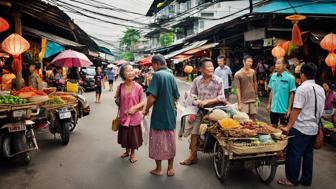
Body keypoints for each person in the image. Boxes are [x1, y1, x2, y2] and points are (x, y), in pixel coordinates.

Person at [278, 62, 325, 186]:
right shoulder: (320, 89)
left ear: (302, 74)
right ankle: (306, 179)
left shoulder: (302, 89)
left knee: (294, 153)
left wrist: (288, 126)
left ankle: (292, 179)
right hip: (314, 127)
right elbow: (321, 110)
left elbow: (296, 110)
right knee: (308, 154)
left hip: (301, 128)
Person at [180, 57, 228, 166]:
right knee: (194, 133)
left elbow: (221, 97)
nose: (211, 68)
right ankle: (192, 156)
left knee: (222, 130)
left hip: (215, 110)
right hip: (199, 110)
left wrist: (207, 101)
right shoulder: (197, 80)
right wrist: (197, 101)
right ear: (201, 69)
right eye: (208, 67)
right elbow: (192, 95)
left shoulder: (218, 80)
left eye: (212, 66)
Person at [143, 54, 180, 177]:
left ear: (156, 64)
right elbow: (176, 96)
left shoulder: (157, 75)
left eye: (152, 65)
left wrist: (146, 109)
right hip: (170, 114)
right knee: (170, 141)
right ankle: (170, 168)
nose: (152, 68)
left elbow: (152, 97)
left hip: (159, 115)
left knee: (157, 141)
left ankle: (159, 169)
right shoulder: (171, 76)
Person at [115, 63, 145, 163]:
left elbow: (143, 102)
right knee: (125, 136)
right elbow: (117, 98)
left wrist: (134, 108)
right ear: (123, 74)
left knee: (133, 137)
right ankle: (127, 152)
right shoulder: (120, 86)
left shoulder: (138, 87)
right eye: (128, 71)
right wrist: (117, 99)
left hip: (134, 117)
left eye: (132, 70)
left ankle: (133, 154)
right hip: (124, 116)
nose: (131, 72)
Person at [267, 57, 296, 128]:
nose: (276, 65)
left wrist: (289, 109)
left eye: (278, 63)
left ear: (285, 65)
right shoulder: (273, 76)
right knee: (273, 126)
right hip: (274, 107)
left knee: (283, 127)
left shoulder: (290, 78)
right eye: (276, 63)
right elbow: (272, 91)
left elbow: (291, 94)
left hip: (284, 109)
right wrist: (268, 104)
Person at [234, 55, 258, 121]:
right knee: (244, 118)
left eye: (251, 61)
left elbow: (255, 82)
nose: (250, 63)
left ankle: (253, 131)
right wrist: (239, 103)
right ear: (244, 62)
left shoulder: (253, 72)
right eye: (249, 61)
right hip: (243, 100)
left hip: (253, 98)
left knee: (253, 117)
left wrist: (256, 95)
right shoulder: (237, 74)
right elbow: (237, 89)